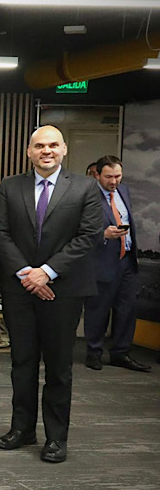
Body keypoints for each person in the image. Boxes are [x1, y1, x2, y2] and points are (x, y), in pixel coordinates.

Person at [0, 125, 104, 463]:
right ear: (29, 151)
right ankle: (22, 429)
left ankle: (56, 438)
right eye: (39, 146)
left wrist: (47, 272)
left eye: (53, 145)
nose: (46, 151)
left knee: (58, 368)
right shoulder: (11, 186)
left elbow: (88, 236)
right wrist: (28, 274)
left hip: (64, 291)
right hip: (20, 290)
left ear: (64, 149)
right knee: (21, 363)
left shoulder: (85, 188)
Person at [83, 155, 149, 372]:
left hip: (126, 260)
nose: (114, 182)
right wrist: (103, 234)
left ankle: (121, 353)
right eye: (109, 177)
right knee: (98, 310)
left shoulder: (124, 191)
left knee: (127, 309)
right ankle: (94, 352)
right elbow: (77, 230)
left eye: (117, 176)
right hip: (101, 260)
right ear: (97, 175)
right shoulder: (87, 195)